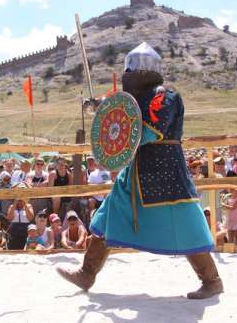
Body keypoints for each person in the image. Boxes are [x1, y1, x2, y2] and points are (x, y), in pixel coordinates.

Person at [57, 42, 223, 299]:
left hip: (165, 171)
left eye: (132, 72)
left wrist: (123, 136)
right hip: (135, 170)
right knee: (107, 215)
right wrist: (99, 107)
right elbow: (119, 108)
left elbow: (152, 128)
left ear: (144, 73)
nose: (129, 76)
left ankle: (211, 280)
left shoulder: (165, 95)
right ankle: (87, 273)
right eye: (128, 72)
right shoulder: (136, 97)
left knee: (184, 222)